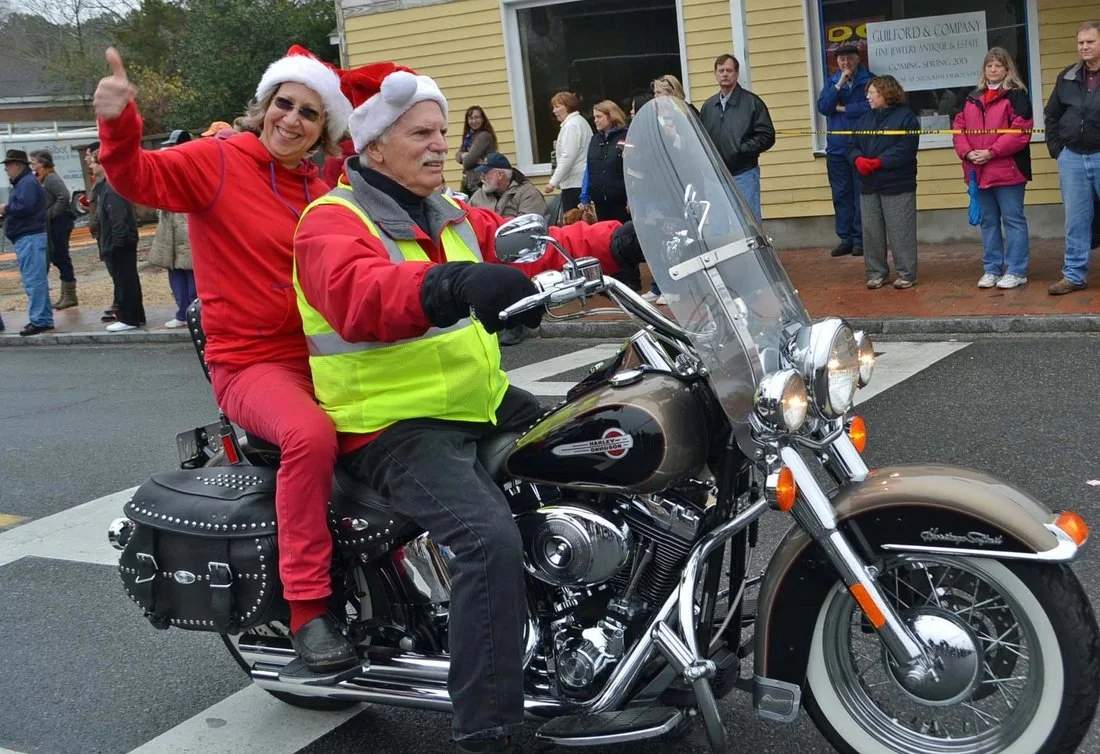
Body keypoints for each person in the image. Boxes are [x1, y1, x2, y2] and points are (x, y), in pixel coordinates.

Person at [292, 65, 646, 753]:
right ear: (375, 145)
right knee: (486, 540)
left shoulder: (448, 211)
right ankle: (489, 728)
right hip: (395, 424)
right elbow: (360, 295)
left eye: (441, 132)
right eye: (420, 133)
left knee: (599, 439)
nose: (438, 145)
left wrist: (623, 239)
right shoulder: (330, 222)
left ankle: (598, 621)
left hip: (477, 403)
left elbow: (540, 241)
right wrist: (454, 282)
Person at [93, 44, 362, 670]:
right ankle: (308, 609)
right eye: (283, 104)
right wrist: (117, 122)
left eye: (310, 114)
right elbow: (138, 177)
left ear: (326, 131)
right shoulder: (218, 160)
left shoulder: (321, 188)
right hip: (250, 364)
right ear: (264, 106)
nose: (291, 120)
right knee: (310, 435)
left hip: (327, 358)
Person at [953, 47, 1033, 290]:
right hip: (978, 171)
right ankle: (991, 268)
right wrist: (967, 152)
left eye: (998, 65)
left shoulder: (1017, 96)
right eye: (989, 65)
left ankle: (1017, 270)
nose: (993, 69)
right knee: (988, 222)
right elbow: (959, 128)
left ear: (1007, 69)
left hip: (1008, 170)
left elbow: (1021, 131)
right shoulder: (971, 97)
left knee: (1013, 220)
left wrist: (991, 152)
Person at [848, 75, 920, 289]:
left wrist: (879, 162)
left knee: (901, 230)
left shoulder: (906, 118)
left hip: (897, 184)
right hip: (868, 185)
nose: (868, 97)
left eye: (872, 92)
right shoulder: (864, 119)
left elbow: (905, 149)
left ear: (885, 93)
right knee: (871, 232)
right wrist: (857, 159)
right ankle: (876, 272)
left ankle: (907, 273)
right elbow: (851, 144)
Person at [1044, 20, 1100, 295]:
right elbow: (1051, 114)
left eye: (1090, 41)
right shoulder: (1067, 77)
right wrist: (1057, 150)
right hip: (1073, 158)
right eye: (1081, 42)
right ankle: (1074, 275)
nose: (1085, 47)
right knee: (1076, 220)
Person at [700, 54, 776, 222]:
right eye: (721, 70)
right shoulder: (708, 107)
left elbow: (767, 135)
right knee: (719, 226)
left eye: (729, 70)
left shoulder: (752, 103)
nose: (725, 74)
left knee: (748, 223)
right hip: (716, 177)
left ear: (736, 73)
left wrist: (741, 150)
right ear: (715, 74)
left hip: (744, 174)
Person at [816, 42, 873, 257]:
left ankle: (860, 239)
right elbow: (823, 107)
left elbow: (870, 107)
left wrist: (843, 108)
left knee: (861, 193)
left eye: (849, 58)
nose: (845, 63)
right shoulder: (832, 81)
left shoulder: (869, 80)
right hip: (837, 148)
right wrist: (839, 84)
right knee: (841, 194)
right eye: (841, 59)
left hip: (861, 145)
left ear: (857, 59)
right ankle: (845, 238)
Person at [88, 146, 145, 331]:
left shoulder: (112, 189)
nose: (91, 166)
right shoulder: (105, 187)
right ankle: (135, 315)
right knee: (127, 279)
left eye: (94, 163)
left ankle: (130, 318)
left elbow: (117, 219)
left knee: (125, 281)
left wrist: (117, 244)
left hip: (119, 243)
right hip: (118, 242)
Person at [1, 149, 54, 336]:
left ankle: (40, 320)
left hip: (29, 236)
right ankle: (43, 318)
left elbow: (25, 207)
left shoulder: (26, 183)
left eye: (8, 165)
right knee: (35, 279)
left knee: (34, 280)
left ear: (17, 165)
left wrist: (6, 208)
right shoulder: (26, 182)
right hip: (28, 236)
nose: (6, 169)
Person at [149, 129, 197, 328]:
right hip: (171, 230)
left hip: (186, 229)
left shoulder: (193, 170)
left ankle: (193, 313)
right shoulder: (170, 170)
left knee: (191, 273)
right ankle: (182, 312)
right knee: (176, 272)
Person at [29, 150, 79, 308]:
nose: (32, 164)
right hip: (51, 223)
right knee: (56, 255)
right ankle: (66, 294)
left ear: (43, 162)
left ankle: (70, 295)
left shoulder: (51, 178)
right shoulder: (40, 178)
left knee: (61, 255)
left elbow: (64, 195)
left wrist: (51, 214)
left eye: (34, 161)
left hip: (59, 223)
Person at [579, 100, 630, 223]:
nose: (595, 120)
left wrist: (632, 198)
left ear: (611, 116)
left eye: (599, 117)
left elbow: (631, 170)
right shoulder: (595, 139)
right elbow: (590, 168)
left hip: (621, 200)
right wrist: (584, 196)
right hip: (600, 201)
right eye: (594, 117)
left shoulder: (626, 136)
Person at [543, 91, 592, 209]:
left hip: (575, 183)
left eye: (557, 107)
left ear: (568, 107)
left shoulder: (571, 126)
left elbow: (568, 156)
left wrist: (553, 182)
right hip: (579, 181)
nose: (554, 111)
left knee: (574, 223)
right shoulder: (579, 122)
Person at [468, 152, 547, 218]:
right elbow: (467, 219)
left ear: (500, 175)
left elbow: (528, 228)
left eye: (485, 173)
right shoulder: (480, 194)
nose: (481, 177)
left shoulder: (528, 194)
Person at [456, 106, 497, 194]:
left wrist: (465, 157)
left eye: (477, 117)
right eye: (471, 118)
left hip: (479, 183)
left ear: (483, 119)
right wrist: (463, 155)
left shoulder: (483, 136)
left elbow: (468, 162)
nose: (474, 121)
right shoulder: (469, 137)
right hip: (468, 181)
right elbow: (457, 155)